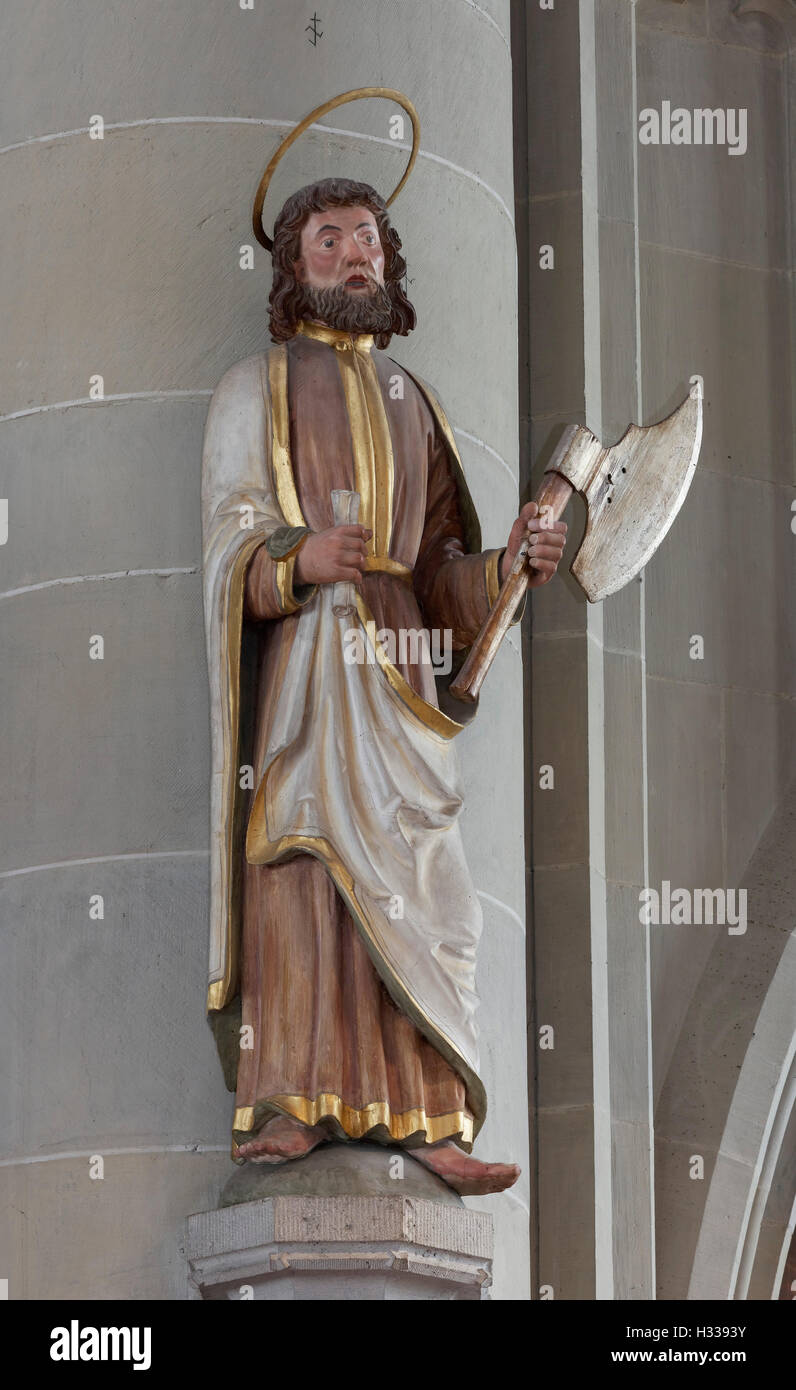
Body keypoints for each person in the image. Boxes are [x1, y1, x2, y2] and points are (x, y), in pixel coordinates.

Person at [201, 177, 566, 1195]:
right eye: (328, 240)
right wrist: (293, 557)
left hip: (400, 674)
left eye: (366, 238)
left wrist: (505, 570)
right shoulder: (255, 385)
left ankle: (426, 1107)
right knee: (305, 862)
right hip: (313, 665)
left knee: (422, 880)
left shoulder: (418, 404)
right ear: (292, 270)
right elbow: (229, 531)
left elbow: (442, 568)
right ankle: (292, 1095)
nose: (354, 255)